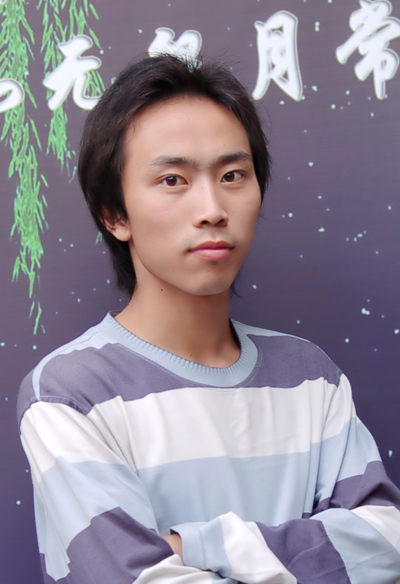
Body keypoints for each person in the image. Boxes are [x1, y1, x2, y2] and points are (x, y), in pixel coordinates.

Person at [18, 54, 400, 584]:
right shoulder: (70, 394)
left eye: (232, 175)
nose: (213, 208)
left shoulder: (311, 376)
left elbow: (386, 542)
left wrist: (199, 545)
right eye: (173, 179)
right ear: (115, 214)